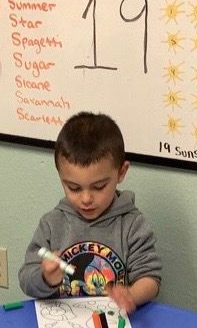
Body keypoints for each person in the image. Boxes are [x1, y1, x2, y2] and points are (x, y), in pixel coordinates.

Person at [18, 112, 161, 314]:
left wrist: (131, 295)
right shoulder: (52, 223)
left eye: (99, 186)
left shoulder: (132, 224)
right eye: (74, 188)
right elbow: (26, 280)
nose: (86, 199)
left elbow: (150, 278)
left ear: (121, 172)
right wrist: (45, 278)